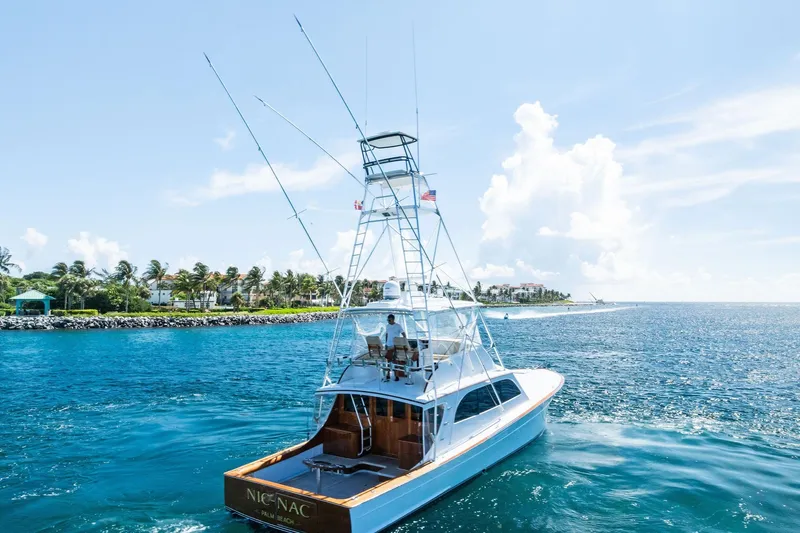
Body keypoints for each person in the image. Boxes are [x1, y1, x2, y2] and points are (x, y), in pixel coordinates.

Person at [383, 314, 406, 381]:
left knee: (395, 361)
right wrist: (386, 344)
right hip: (388, 345)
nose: (388, 321)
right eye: (387, 320)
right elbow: (387, 335)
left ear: (393, 319)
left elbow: (404, 334)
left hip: (395, 346)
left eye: (389, 320)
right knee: (388, 360)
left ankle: (396, 376)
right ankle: (388, 375)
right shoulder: (387, 326)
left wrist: (403, 342)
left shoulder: (398, 326)